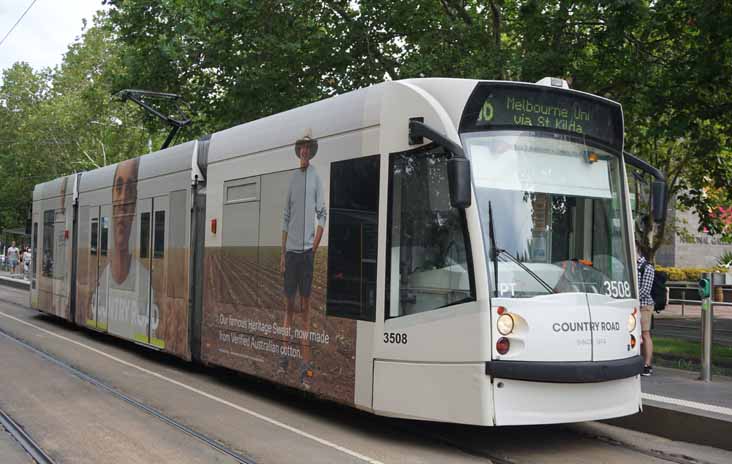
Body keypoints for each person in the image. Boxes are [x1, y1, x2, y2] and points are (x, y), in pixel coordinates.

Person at [279, 132, 327, 388]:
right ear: (298, 151)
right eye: (302, 147)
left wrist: (314, 247)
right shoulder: (292, 179)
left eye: (308, 147)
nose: (305, 151)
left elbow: (323, 214)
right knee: (288, 308)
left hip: (306, 253)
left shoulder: (316, 178)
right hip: (291, 254)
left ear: (311, 151)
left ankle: (305, 363)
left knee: (305, 311)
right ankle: (285, 355)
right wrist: (283, 252)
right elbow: (285, 215)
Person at [637, 242, 655, 376]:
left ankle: (647, 364)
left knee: (645, 334)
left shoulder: (647, 267)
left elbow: (645, 290)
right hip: (631, 305)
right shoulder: (630, 266)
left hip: (644, 305)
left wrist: (632, 296)